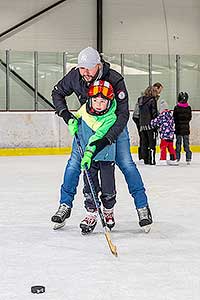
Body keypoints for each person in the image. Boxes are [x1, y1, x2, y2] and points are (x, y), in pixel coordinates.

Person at [51, 46, 152, 230]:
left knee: (127, 164)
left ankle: (142, 206)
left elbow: (123, 115)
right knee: (74, 164)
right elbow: (57, 93)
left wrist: (108, 139)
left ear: (98, 65)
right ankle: (64, 205)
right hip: (87, 127)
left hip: (114, 128)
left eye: (89, 68)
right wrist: (66, 115)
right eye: (82, 68)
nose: (85, 73)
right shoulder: (76, 75)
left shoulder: (114, 79)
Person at [69, 80, 117, 234]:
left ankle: (108, 209)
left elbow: (99, 137)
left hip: (105, 155)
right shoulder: (85, 109)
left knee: (108, 187)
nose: (98, 104)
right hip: (88, 157)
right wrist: (73, 121)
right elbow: (77, 115)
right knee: (89, 186)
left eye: (102, 101)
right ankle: (91, 212)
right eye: (95, 100)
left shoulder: (111, 118)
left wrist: (89, 153)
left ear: (109, 102)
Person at [150, 99, 178, 165]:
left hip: (164, 136)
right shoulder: (171, 115)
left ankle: (163, 159)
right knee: (171, 147)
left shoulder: (161, 116)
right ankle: (173, 159)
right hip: (171, 135)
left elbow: (155, 122)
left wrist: (151, 122)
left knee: (163, 147)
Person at [138, 85, 160, 165]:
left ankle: (145, 159)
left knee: (144, 142)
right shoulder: (152, 100)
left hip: (142, 124)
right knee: (152, 143)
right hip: (150, 125)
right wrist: (157, 124)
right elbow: (153, 113)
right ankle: (151, 160)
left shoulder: (140, 100)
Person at [173, 92, 192, 164]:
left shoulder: (176, 107)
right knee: (186, 144)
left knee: (178, 144)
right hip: (186, 129)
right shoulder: (188, 108)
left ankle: (177, 158)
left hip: (178, 129)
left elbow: (174, 117)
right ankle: (188, 158)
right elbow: (189, 118)